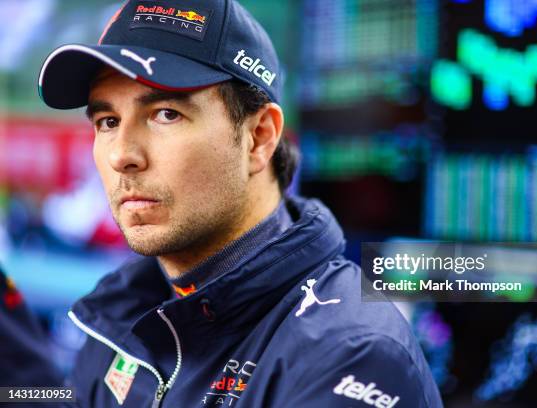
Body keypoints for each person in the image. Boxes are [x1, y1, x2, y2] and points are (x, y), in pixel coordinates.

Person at [38, 0, 443, 406]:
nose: (120, 154)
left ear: (260, 137)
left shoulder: (352, 353)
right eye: (107, 122)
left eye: (165, 114)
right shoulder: (117, 316)